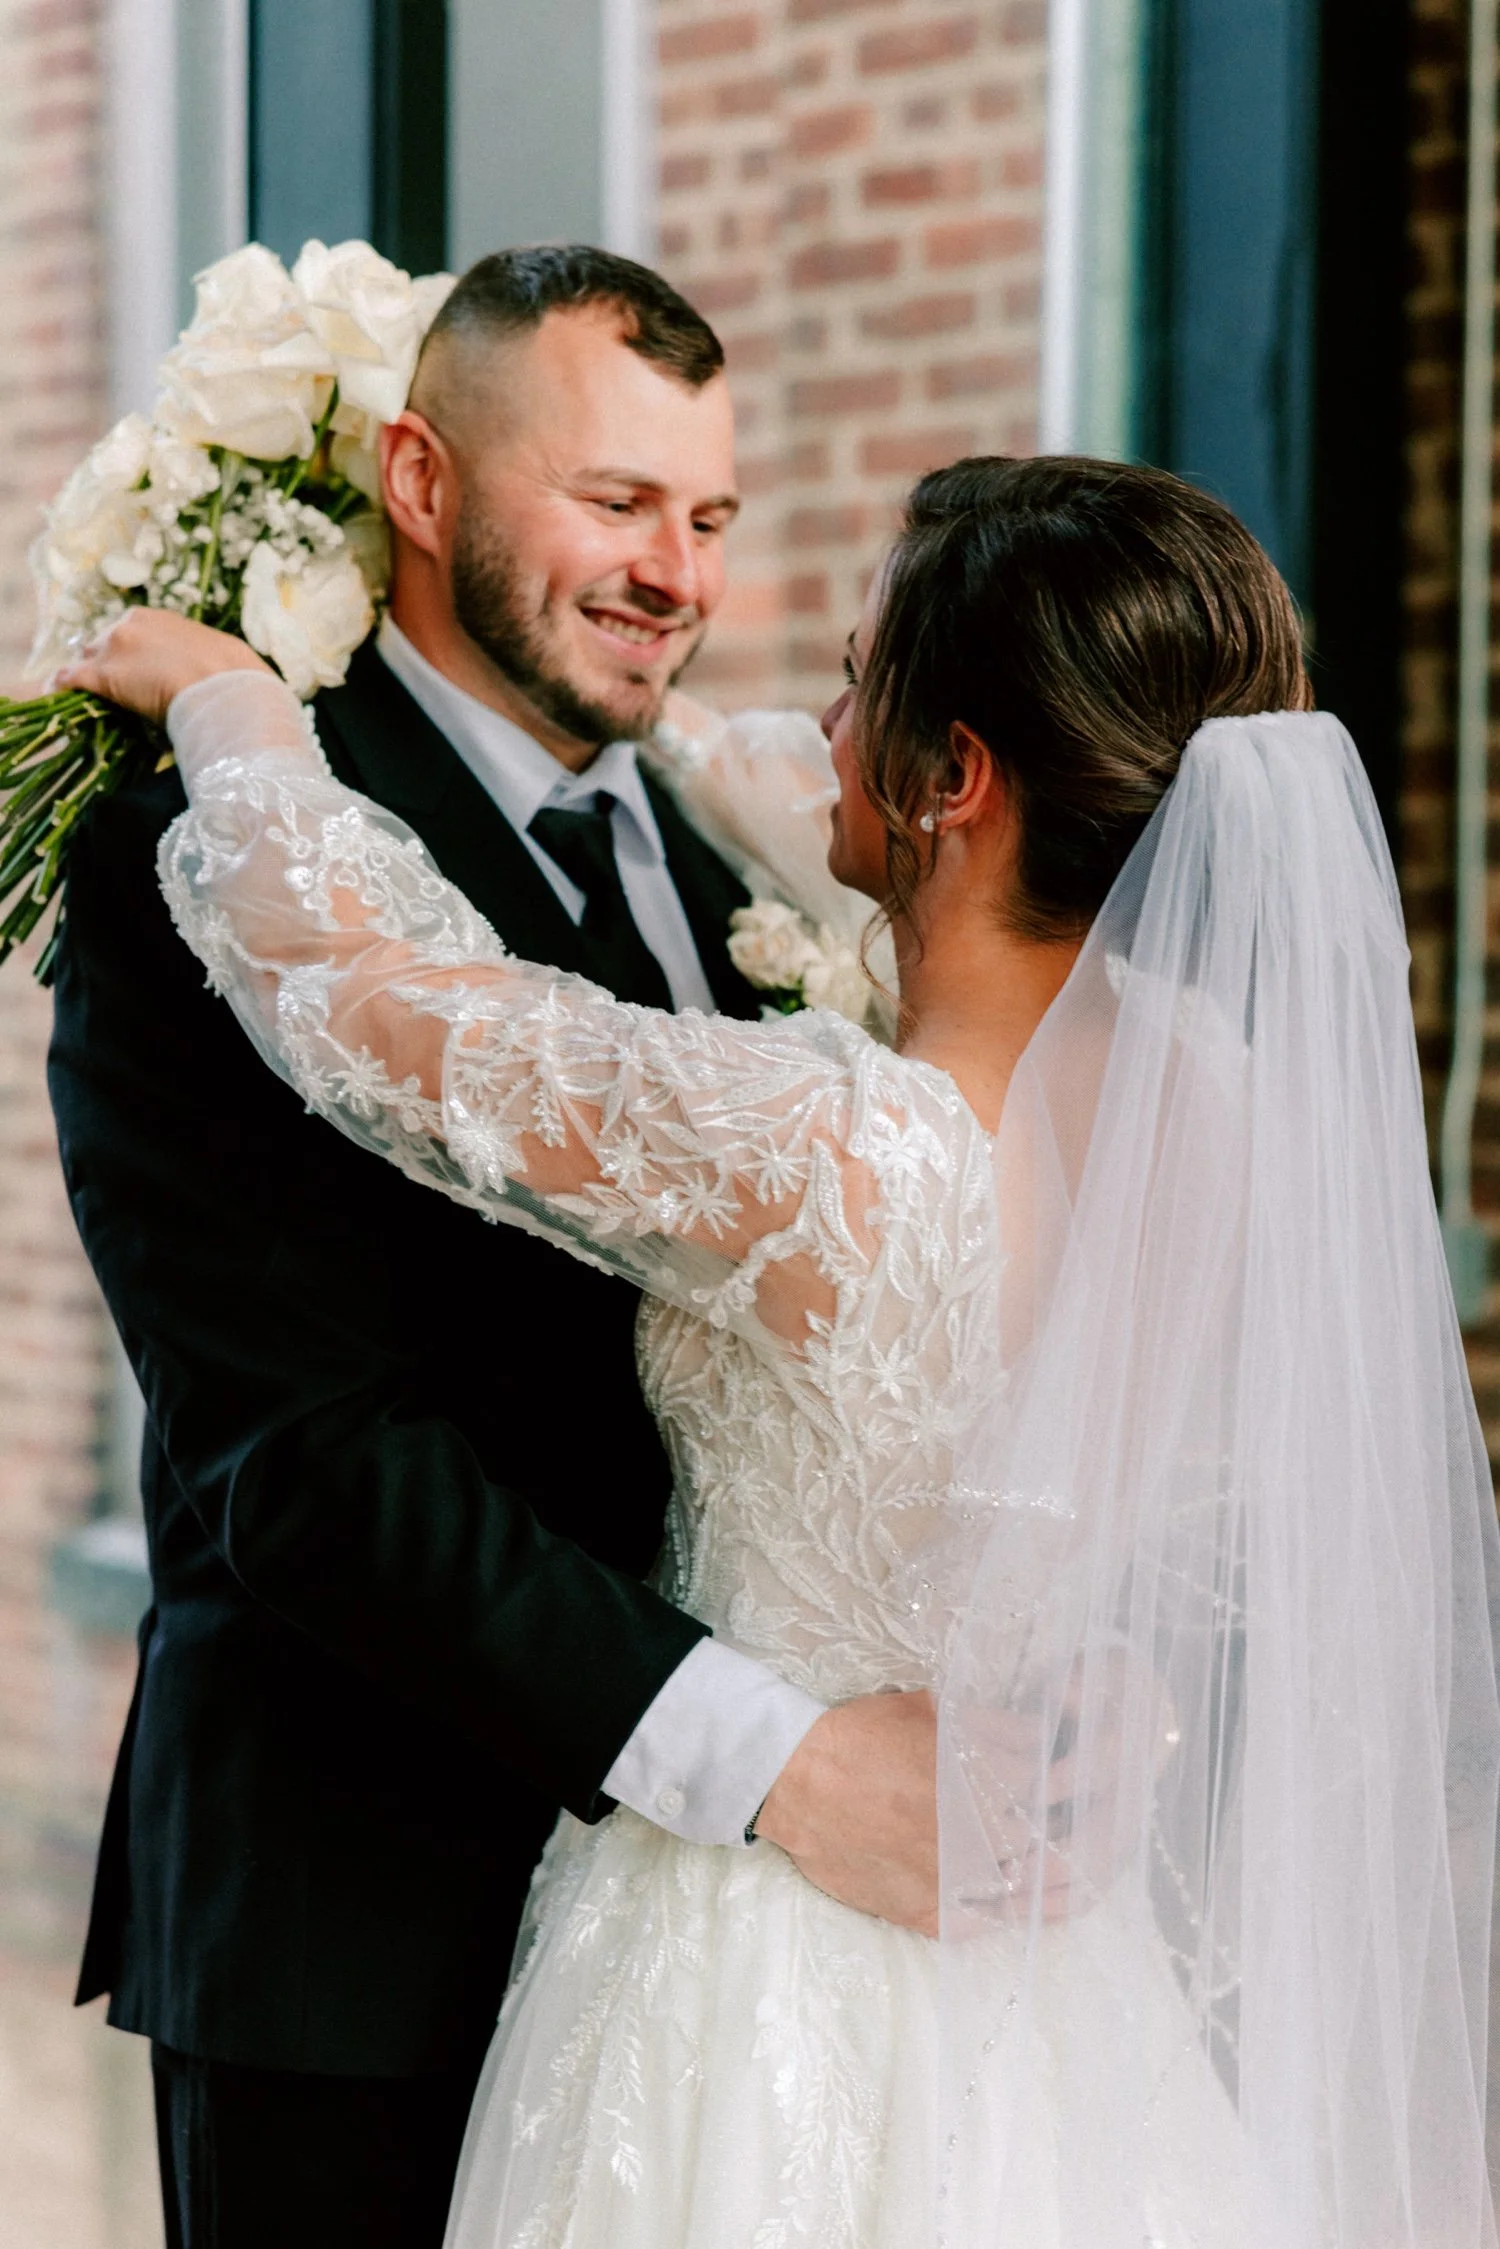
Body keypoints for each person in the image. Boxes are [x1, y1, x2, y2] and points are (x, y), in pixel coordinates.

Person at [68, 455, 1500, 2248]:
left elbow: (370, 1005)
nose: (816, 719)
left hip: (751, 1965)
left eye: (855, 678)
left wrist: (233, 703)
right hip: (1054, 1957)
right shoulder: (1219, 1110)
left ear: (956, 776)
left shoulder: (838, 1150)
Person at [46, 246, 938, 2249]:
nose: (677, 576)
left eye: (709, 517)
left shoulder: (738, 855)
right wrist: (774, 1759)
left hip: (726, 1967)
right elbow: (306, 1463)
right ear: (423, 484)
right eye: (616, 504)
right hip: (364, 1935)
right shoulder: (212, 849)